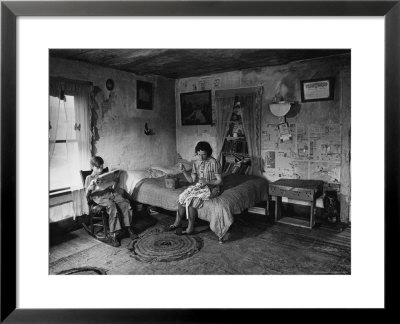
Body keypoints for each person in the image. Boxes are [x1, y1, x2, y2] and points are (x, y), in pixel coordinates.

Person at [168, 141, 223, 235]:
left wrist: (207, 181)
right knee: (183, 196)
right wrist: (184, 171)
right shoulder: (196, 163)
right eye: (199, 154)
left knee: (192, 200)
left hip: (212, 188)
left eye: (204, 154)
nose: (201, 157)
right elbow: (191, 180)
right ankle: (177, 222)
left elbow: (220, 181)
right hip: (200, 186)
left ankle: (190, 228)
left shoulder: (214, 163)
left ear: (208, 152)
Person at [85, 156, 137, 247]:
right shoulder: (89, 178)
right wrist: (89, 188)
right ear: (92, 167)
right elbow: (87, 196)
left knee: (125, 202)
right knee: (112, 206)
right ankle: (113, 234)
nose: (101, 170)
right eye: (98, 168)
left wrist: (114, 181)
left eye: (101, 167)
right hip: (99, 197)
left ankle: (128, 228)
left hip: (109, 193)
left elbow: (110, 187)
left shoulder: (104, 176)